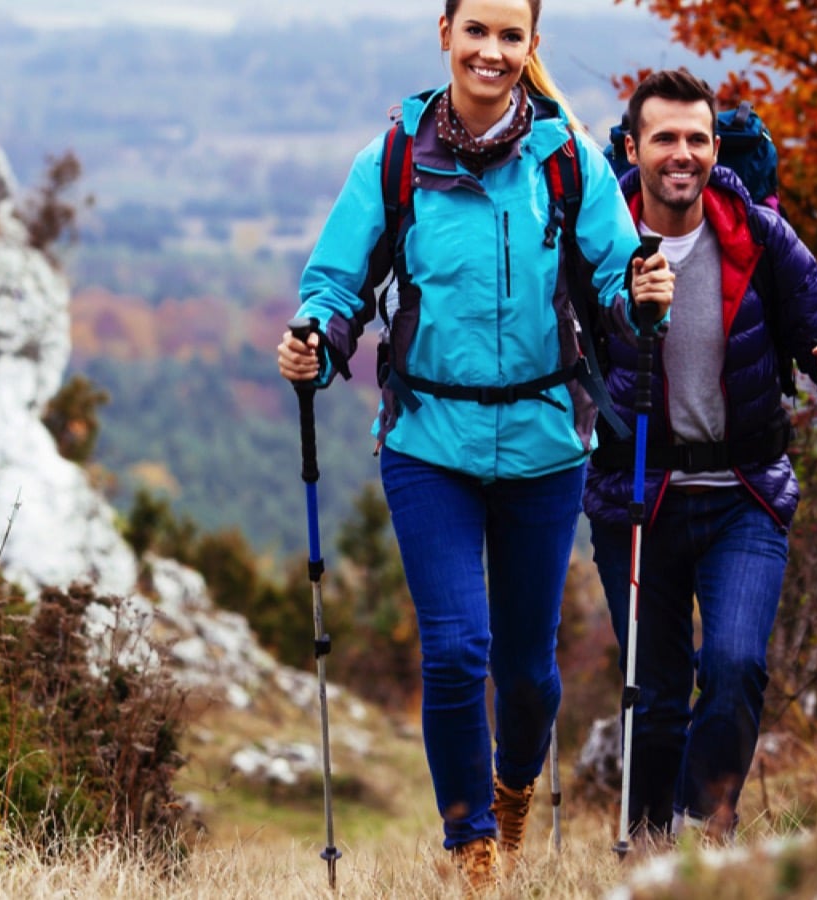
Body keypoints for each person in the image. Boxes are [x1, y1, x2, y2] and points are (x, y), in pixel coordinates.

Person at [276, 0, 672, 889]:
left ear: (532, 47)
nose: (492, 51)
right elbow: (339, 281)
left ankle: (513, 787)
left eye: (510, 36)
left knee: (528, 675)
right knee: (457, 650)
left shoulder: (565, 160)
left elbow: (614, 274)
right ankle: (472, 848)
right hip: (428, 441)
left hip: (544, 443)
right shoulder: (394, 160)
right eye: (477, 31)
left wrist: (642, 294)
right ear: (444, 34)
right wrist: (316, 336)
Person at [584, 67, 817, 844]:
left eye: (696, 138)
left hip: (743, 492)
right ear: (634, 148)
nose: (682, 154)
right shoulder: (600, 238)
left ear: (716, 147)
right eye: (664, 138)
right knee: (654, 689)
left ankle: (700, 834)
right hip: (634, 496)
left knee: (738, 667)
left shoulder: (757, 232)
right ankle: (646, 853)